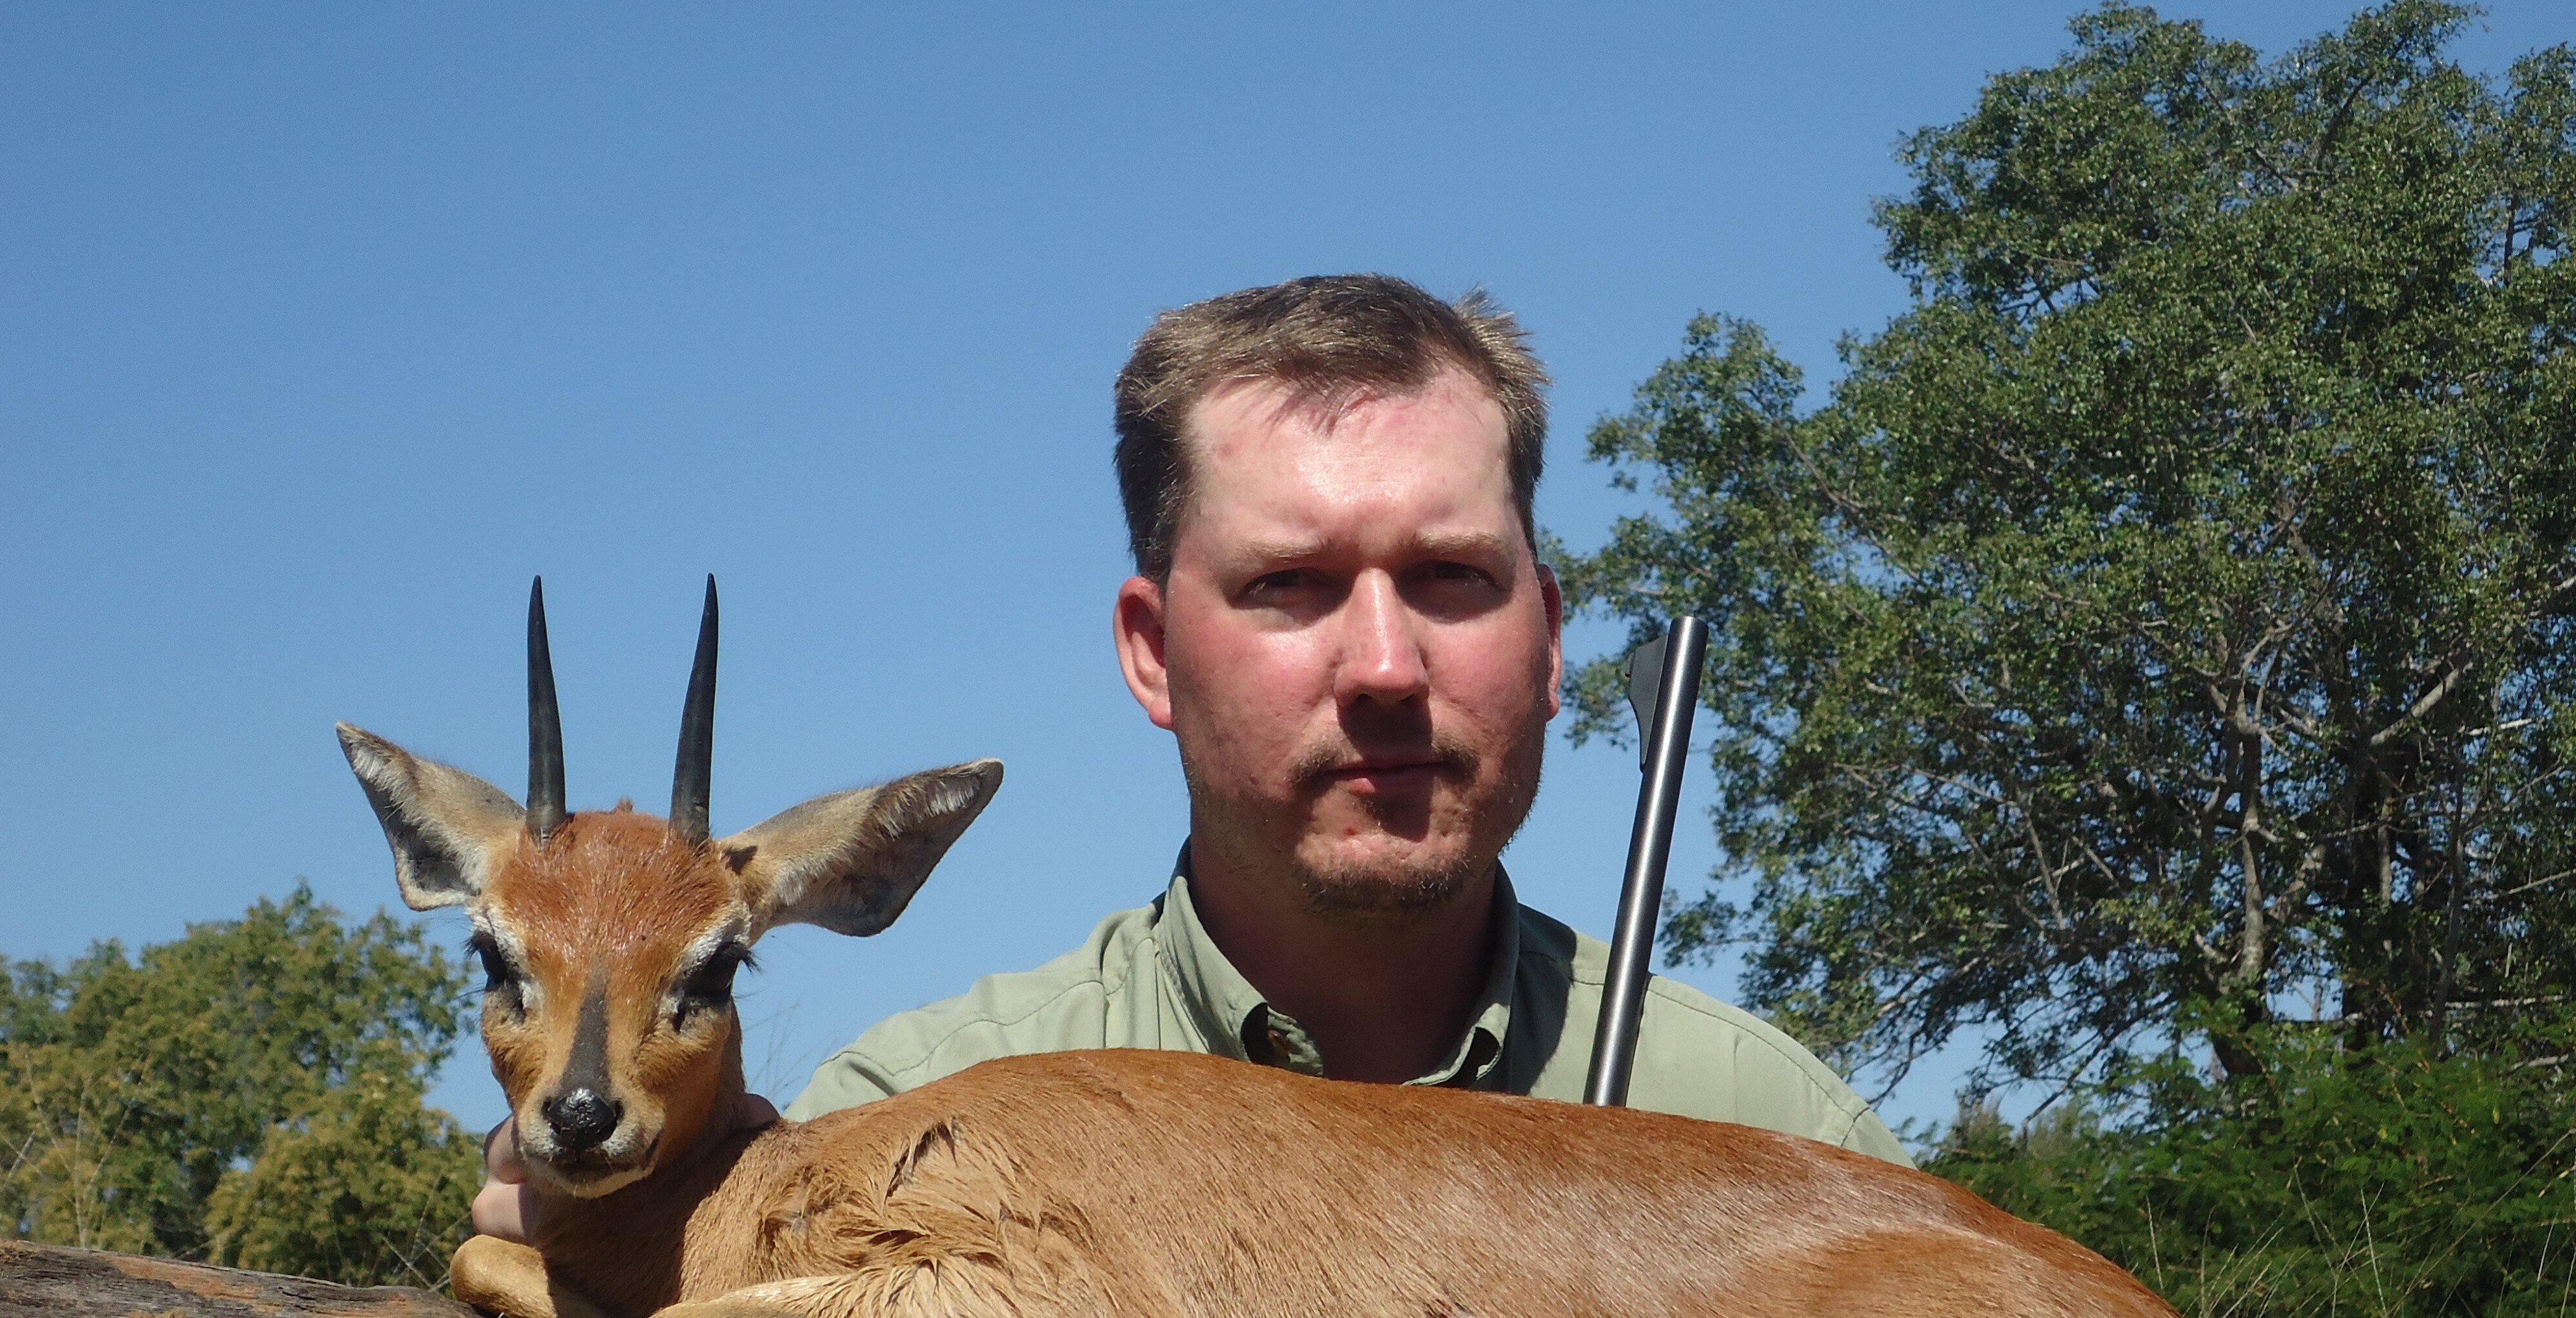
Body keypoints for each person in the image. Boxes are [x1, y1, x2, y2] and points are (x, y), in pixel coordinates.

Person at [475, 275, 1902, 1241]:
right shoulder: (897, 1134)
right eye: (1291, 585)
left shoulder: (1780, 1141)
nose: (1389, 668)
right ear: (1151, 651)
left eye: (1455, 576)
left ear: (1550, 637)